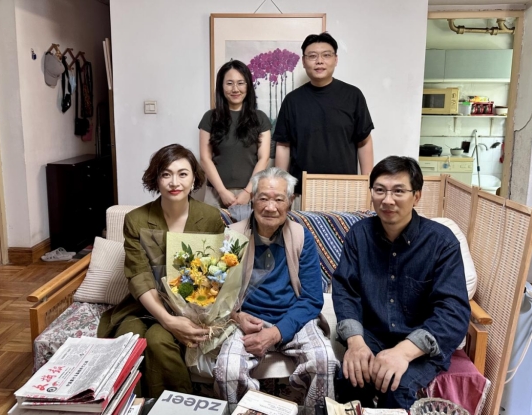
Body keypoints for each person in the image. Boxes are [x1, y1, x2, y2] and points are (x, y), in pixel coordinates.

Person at [332, 156, 471, 409]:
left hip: (419, 344)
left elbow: (453, 311)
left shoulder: (441, 242)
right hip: (373, 335)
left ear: (416, 196)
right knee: (350, 378)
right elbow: (345, 292)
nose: (387, 200)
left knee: (398, 387)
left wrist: (403, 352)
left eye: (398, 191)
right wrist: (356, 342)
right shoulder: (359, 235)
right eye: (380, 190)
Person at [97, 144, 225, 398]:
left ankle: (179, 405)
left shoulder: (210, 217)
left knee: (158, 339)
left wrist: (186, 316)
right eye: (166, 174)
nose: (174, 182)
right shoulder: (136, 219)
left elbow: (216, 273)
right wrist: (167, 319)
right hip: (145, 305)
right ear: (156, 179)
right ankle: (130, 406)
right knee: (129, 338)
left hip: (192, 308)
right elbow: (138, 275)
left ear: (194, 178)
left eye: (182, 174)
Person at [213, 167, 339, 410]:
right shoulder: (233, 236)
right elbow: (218, 295)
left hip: (293, 318)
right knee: (228, 369)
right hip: (248, 321)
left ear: (290, 202)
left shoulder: (302, 237)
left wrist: (276, 332)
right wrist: (237, 317)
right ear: (252, 199)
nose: (270, 207)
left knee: (324, 360)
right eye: (263, 198)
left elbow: (312, 299)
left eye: (279, 199)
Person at [273, 32, 374, 207]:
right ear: (304, 61)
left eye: (326, 55)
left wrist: (368, 186)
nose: (319, 61)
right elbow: (283, 145)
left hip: (345, 191)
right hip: (300, 192)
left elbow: (364, 142)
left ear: (336, 59)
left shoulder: (353, 95)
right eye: (312, 56)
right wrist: (282, 188)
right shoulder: (292, 100)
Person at [199, 60, 272, 208]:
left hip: (250, 193)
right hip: (215, 192)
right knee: (212, 224)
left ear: (248, 86)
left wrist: (247, 192)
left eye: (240, 83)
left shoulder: (260, 118)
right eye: (229, 83)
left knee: (248, 225)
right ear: (221, 86)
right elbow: (205, 159)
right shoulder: (210, 117)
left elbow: (263, 159)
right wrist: (222, 192)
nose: (235, 89)